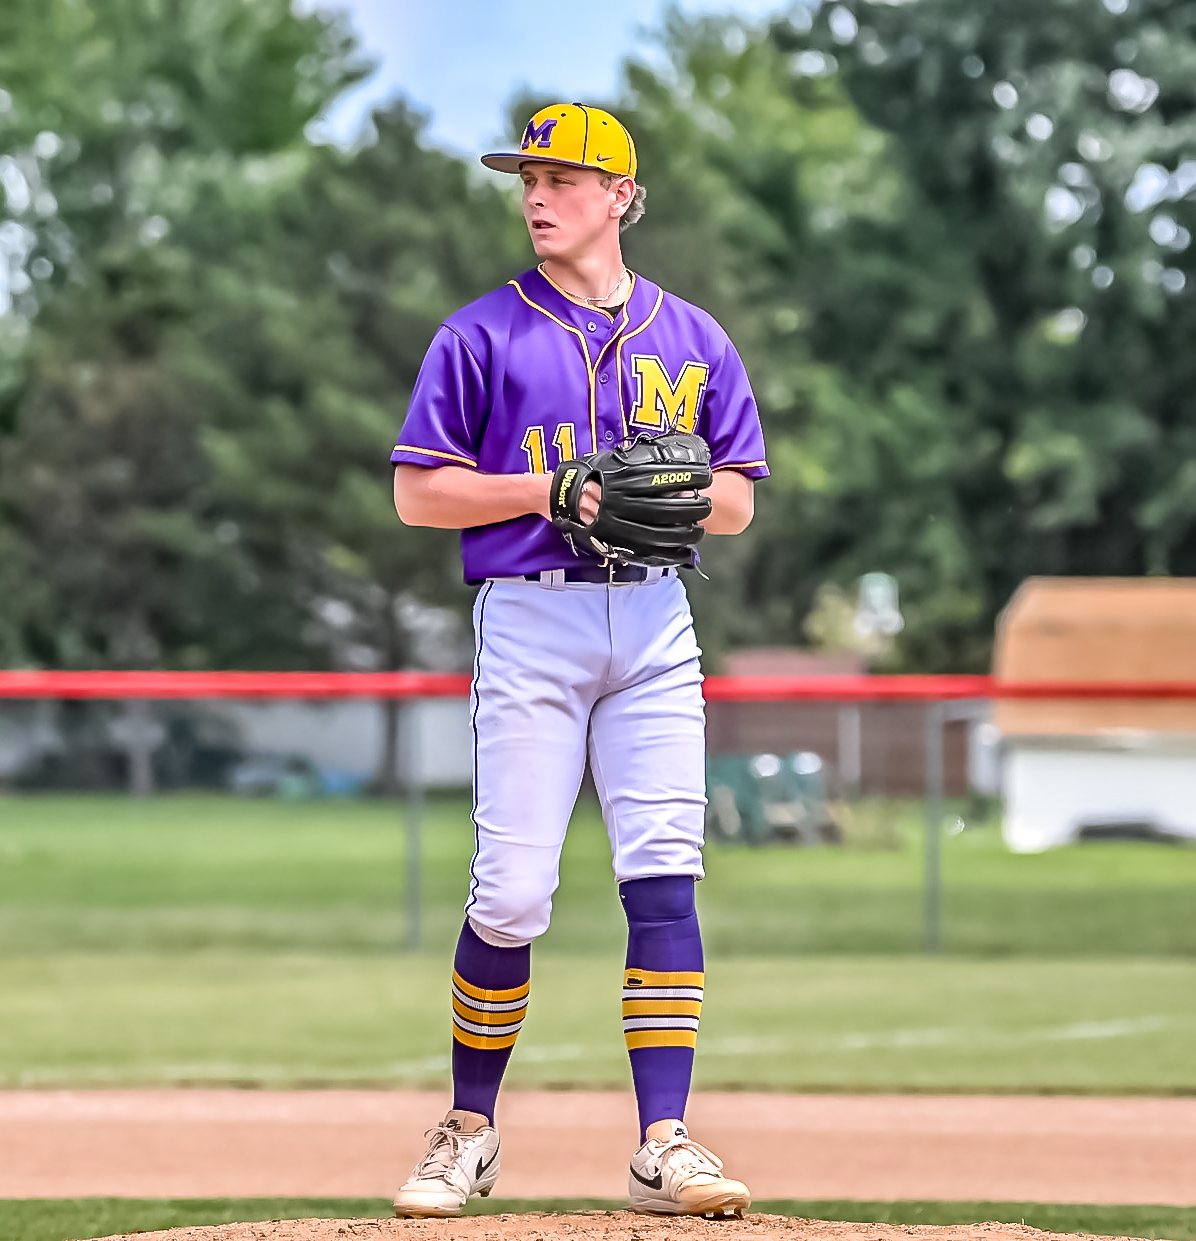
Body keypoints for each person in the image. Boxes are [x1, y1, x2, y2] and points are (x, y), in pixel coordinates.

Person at [387, 103, 767, 1220]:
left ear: (620, 197)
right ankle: (466, 1129)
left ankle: (663, 1141)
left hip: (651, 621)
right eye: (527, 176)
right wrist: (544, 491)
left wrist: (672, 498)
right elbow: (419, 492)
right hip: (532, 617)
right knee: (509, 892)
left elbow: (738, 496)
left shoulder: (689, 336)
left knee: (663, 869)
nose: (536, 193)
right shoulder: (479, 336)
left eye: (561, 176)